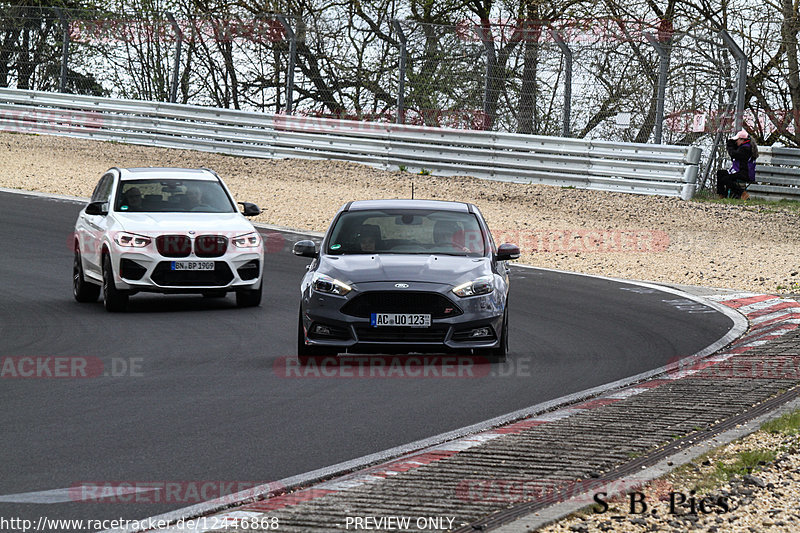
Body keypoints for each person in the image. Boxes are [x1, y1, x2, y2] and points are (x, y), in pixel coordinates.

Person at [717, 129, 758, 199]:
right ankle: (722, 195)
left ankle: (742, 193)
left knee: (725, 178)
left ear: (742, 140)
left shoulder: (746, 148)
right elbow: (736, 151)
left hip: (745, 173)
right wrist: (732, 144)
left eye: (737, 140)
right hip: (740, 171)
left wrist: (729, 146)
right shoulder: (743, 147)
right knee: (720, 173)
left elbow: (734, 154)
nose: (736, 142)